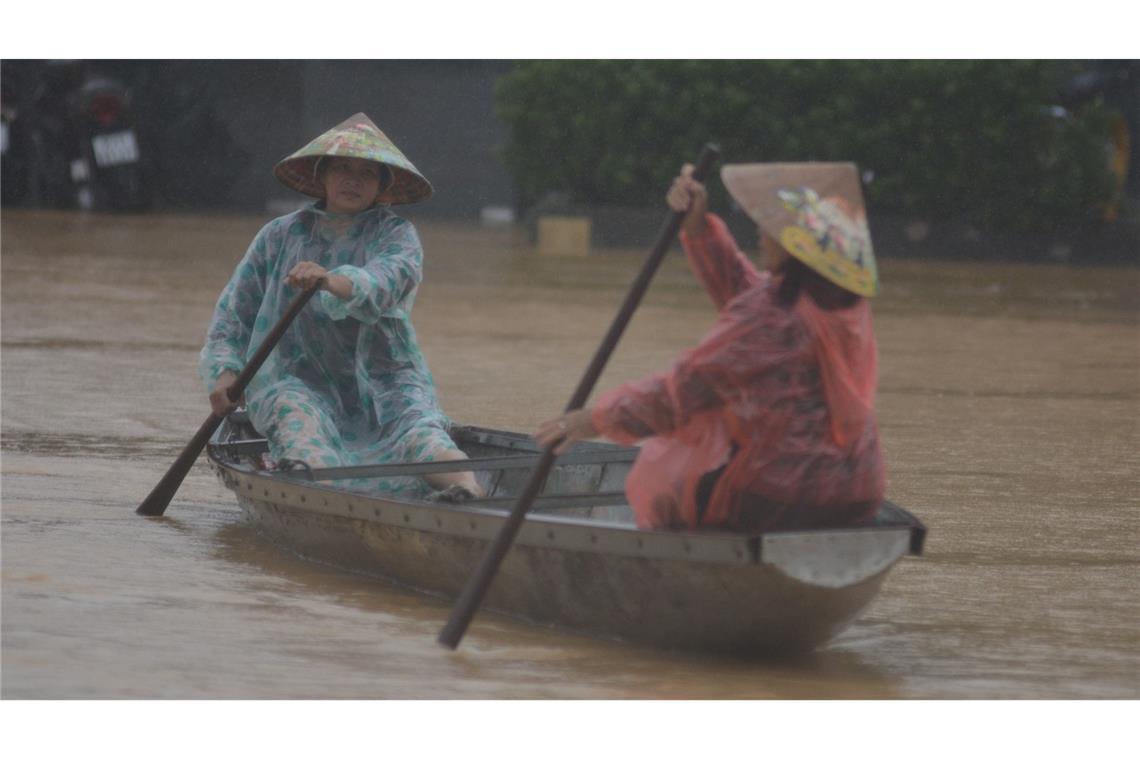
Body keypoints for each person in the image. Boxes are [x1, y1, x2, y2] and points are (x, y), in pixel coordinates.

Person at [535, 162, 885, 531]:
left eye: (773, 230)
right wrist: (698, 228)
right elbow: (748, 295)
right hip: (858, 488)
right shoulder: (844, 304)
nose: (761, 234)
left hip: (779, 496)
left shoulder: (771, 316)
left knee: (671, 482)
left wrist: (594, 419)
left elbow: (679, 396)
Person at [200, 113, 481, 500]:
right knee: (300, 426)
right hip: (296, 379)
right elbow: (236, 313)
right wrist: (224, 373)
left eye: (367, 172)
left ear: (382, 185)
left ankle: (467, 491)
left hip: (385, 379)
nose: (353, 179)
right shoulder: (279, 236)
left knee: (421, 434)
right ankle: (327, 498)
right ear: (322, 175)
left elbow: (388, 279)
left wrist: (331, 280)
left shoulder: (396, 234)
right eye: (343, 168)